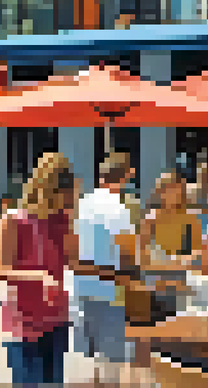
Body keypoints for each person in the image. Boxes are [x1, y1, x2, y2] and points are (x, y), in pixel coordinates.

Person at [0, 152, 76, 387]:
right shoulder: (13, 220)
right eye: (67, 195)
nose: (69, 202)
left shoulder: (62, 222)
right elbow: (2, 269)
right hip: (23, 324)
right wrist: (40, 276)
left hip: (56, 320)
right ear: (48, 190)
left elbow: (73, 262)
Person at [71, 153, 137, 384]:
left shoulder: (79, 205)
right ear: (127, 176)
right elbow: (128, 254)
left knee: (86, 369)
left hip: (80, 289)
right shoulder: (119, 209)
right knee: (111, 368)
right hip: (111, 290)